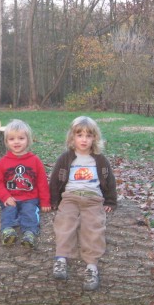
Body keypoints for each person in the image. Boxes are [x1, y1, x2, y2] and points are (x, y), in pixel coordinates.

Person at [49, 116, 117, 291]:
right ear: (72, 138)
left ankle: (92, 267)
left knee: (94, 226)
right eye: (80, 135)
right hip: (70, 197)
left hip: (93, 198)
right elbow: (55, 180)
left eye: (88, 135)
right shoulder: (65, 158)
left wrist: (110, 200)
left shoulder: (100, 160)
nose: (84, 139)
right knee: (65, 221)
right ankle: (61, 259)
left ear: (94, 138)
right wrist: (54, 200)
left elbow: (110, 181)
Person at [0, 119, 51, 248]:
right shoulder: (3, 162)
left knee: (30, 211)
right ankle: (7, 231)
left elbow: (42, 182)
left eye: (21, 138)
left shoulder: (35, 161)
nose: (16, 142)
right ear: (6, 142)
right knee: (9, 210)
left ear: (28, 140)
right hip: (10, 197)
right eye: (12, 139)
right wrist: (5, 197)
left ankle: (29, 233)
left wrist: (45, 201)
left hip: (30, 198)